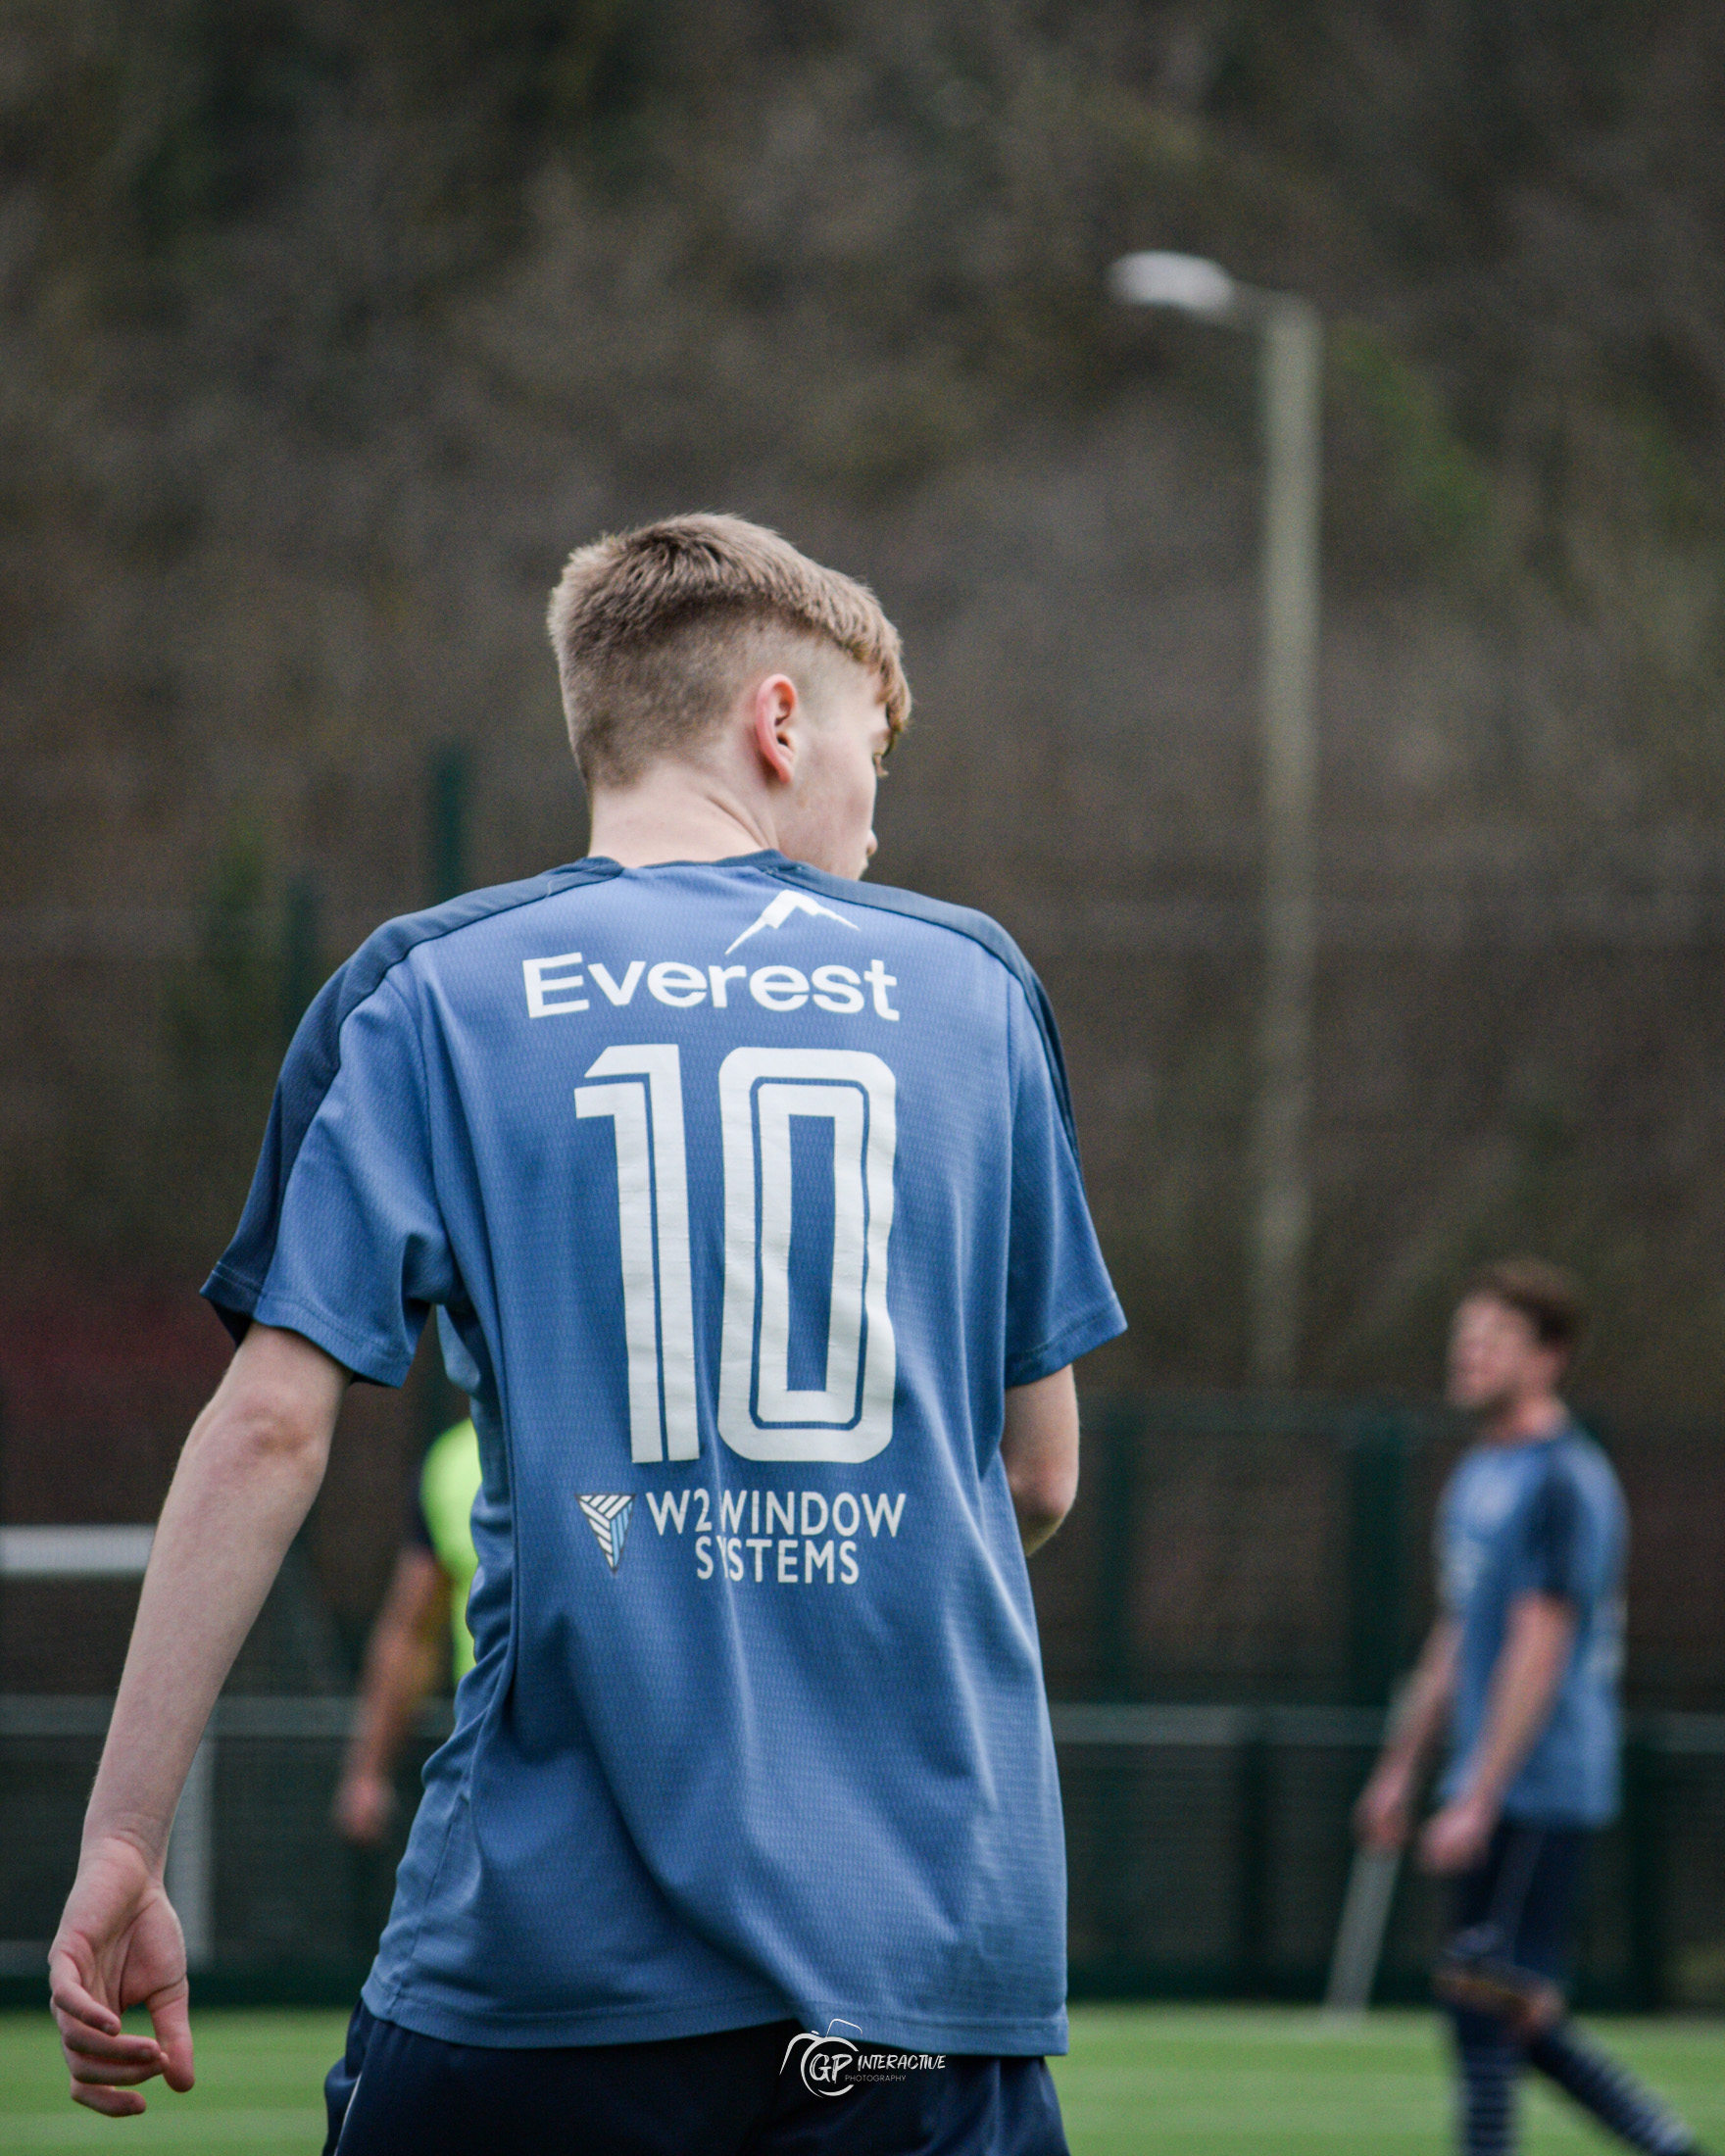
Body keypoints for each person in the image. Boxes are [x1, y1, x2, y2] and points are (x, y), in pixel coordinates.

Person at [48, 513, 1126, 2155]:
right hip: (919, 1970)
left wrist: (126, 1837)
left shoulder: (423, 992)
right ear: (778, 722)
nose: (875, 819)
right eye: (871, 756)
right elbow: (1037, 1477)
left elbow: (268, 1428)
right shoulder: (974, 989)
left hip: (543, 1974)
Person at [1355, 1259, 1701, 2156]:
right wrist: (1403, 1768)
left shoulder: (1562, 1480)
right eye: (1464, 1337)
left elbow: (1539, 1643)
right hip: (1490, 1776)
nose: (1469, 1355)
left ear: (1549, 1356)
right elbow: (1458, 1634)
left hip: (1543, 1780)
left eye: (1495, 1339)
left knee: (1483, 1992)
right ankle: (1661, 2141)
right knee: (1503, 1997)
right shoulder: (1480, 1473)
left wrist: (1479, 1790)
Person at [332, 1415, 481, 1849]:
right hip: (488, 1746)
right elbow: (412, 1632)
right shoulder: (451, 1464)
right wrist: (367, 1770)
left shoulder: (610, 1439)